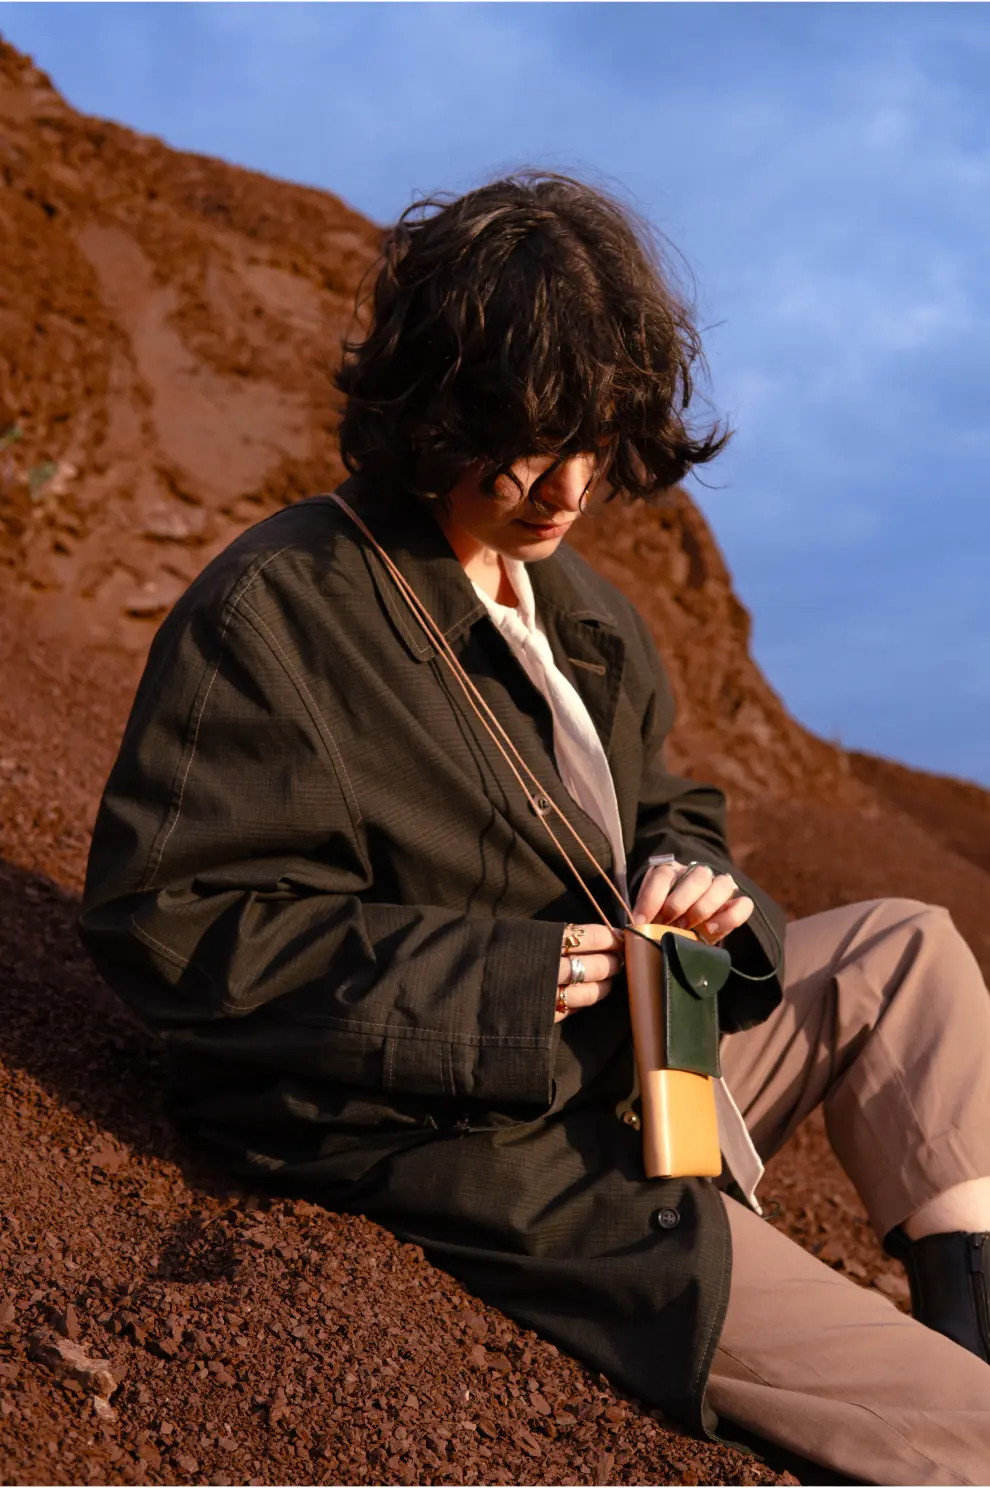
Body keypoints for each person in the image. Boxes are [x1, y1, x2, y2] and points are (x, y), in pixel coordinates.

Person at [79, 173, 990, 1484]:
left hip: (632, 1057)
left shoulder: (588, 614)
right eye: (524, 439)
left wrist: (695, 882)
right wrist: (500, 984)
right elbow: (169, 922)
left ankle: (965, 1321)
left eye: (597, 440)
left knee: (902, 948)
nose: (565, 487)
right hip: (479, 1142)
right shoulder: (278, 609)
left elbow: (662, 803)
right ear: (434, 401)